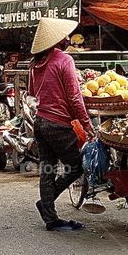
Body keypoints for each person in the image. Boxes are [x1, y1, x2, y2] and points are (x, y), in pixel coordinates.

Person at [29, 17, 94, 232]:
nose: (67, 39)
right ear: (57, 40)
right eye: (64, 36)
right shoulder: (64, 60)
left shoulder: (35, 63)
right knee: (76, 167)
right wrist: (86, 124)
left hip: (40, 121)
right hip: (57, 125)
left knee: (47, 168)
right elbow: (75, 97)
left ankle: (49, 214)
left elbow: (32, 91)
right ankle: (47, 203)